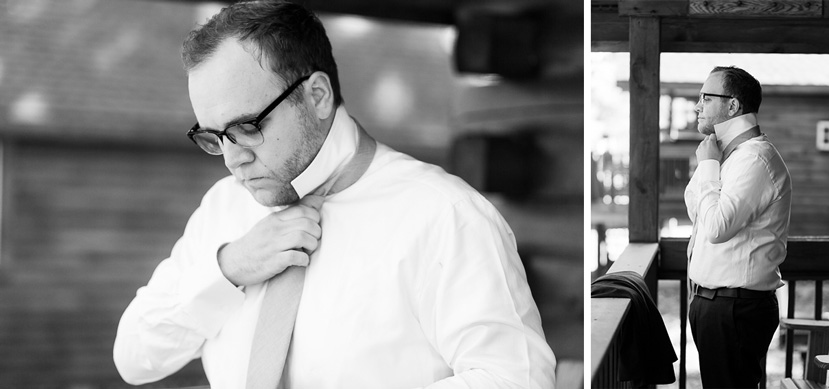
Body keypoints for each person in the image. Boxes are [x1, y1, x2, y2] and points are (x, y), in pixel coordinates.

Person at [112, 1, 556, 388]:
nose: (232, 160)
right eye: (213, 136)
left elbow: (516, 378)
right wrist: (228, 270)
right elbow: (135, 357)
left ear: (318, 95)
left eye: (247, 128)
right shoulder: (224, 208)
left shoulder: (445, 215)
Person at [685, 66, 792, 388]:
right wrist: (711, 164)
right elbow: (699, 212)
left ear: (732, 106)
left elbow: (716, 228)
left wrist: (707, 166)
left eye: (705, 97)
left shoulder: (754, 160)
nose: (697, 105)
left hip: (735, 307)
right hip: (715, 304)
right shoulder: (726, 155)